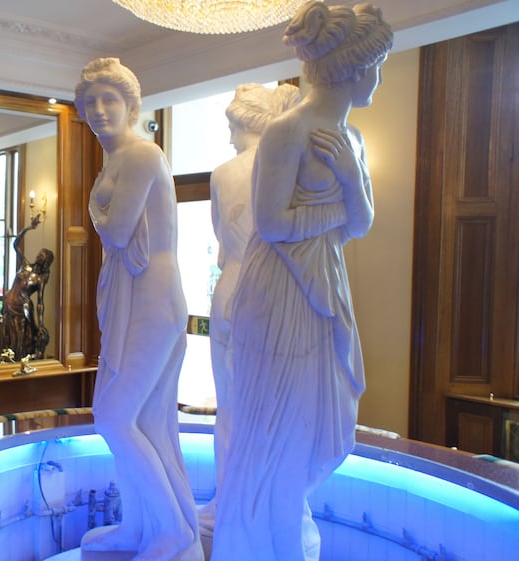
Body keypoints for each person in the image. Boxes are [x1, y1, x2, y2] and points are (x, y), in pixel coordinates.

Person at [210, 4, 392, 561]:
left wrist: (351, 180)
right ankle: (270, 545)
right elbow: (271, 224)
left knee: (323, 431)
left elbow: (362, 222)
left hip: (325, 285)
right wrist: (338, 209)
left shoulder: (352, 139)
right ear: (354, 68)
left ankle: (277, 538)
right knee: (280, 432)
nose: (378, 77)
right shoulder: (285, 132)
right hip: (279, 291)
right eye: (377, 65)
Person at [75, 57, 203, 561]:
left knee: (113, 416)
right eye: (90, 102)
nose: (99, 110)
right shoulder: (114, 162)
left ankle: (172, 530)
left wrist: (94, 208)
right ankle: (137, 526)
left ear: (131, 106)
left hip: (153, 299)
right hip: (129, 296)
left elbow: (117, 230)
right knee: (143, 421)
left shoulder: (143, 154)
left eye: (110, 99)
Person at [201, 82, 300, 533]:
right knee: (272, 407)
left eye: (231, 126)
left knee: (231, 409)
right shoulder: (288, 167)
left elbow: (223, 243)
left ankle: (228, 502)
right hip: (269, 294)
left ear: (245, 122)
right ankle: (263, 506)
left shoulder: (223, 174)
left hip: (230, 289)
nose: (228, 136)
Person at [2, 213, 54, 360]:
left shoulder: (40, 279)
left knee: (20, 339)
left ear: (46, 261)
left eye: (43, 255)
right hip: (9, 302)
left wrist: (41, 324)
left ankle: (20, 362)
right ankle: (7, 361)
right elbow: (15, 244)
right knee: (7, 336)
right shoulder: (25, 265)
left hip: (22, 308)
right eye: (39, 253)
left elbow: (40, 303)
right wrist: (29, 228)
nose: (39, 256)